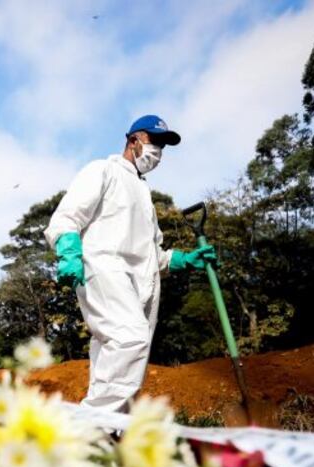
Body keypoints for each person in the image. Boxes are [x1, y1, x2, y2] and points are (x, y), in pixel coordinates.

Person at [44, 115, 216, 413]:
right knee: (130, 338)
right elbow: (67, 216)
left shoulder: (144, 194)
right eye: (154, 141)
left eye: (163, 145)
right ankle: (91, 427)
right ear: (133, 140)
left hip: (142, 282)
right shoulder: (103, 170)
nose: (159, 151)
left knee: (115, 354)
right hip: (104, 266)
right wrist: (69, 251)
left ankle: (112, 435)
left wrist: (184, 259)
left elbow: (153, 253)